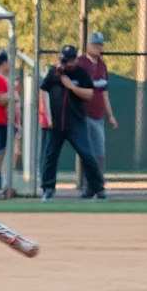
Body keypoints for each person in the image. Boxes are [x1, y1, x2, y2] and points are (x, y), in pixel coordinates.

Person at [39, 45, 105, 201]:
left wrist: (72, 87)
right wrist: (45, 114)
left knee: (87, 155)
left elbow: (89, 94)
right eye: (64, 60)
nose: (67, 63)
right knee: (50, 155)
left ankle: (97, 188)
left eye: (70, 60)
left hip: (76, 123)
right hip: (56, 124)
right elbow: (43, 89)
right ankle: (48, 188)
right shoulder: (54, 72)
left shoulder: (81, 74)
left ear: (75, 59)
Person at [75, 31, 117, 185]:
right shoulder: (80, 63)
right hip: (83, 113)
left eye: (100, 44)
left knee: (99, 151)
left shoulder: (102, 65)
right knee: (87, 151)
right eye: (96, 44)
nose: (99, 47)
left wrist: (110, 115)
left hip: (98, 115)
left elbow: (104, 91)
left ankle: (97, 184)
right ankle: (87, 185)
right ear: (88, 45)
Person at [0, 51, 12, 191]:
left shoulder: (6, 79)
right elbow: (0, 99)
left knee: (3, 150)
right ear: (3, 63)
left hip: (5, 121)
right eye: (8, 62)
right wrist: (11, 96)